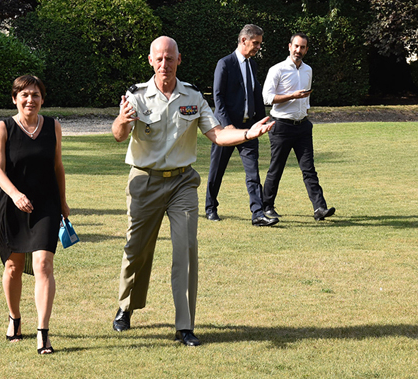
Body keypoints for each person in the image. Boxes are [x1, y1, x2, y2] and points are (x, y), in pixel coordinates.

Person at [111, 36, 274, 346]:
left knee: (186, 249)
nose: (164, 64)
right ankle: (125, 307)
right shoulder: (137, 95)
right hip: (144, 182)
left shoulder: (193, 96)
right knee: (137, 250)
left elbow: (217, 134)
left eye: (169, 58)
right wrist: (122, 119)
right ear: (150, 61)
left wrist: (248, 133)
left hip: (182, 183)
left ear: (179, 60)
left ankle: (184, 325)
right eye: (159, 59)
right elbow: (120, 135)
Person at [0, 75, 70, 355]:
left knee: (43, 266)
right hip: (12, 206)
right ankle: (14, 318)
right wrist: (15, 195)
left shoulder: (53, 126)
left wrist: (62, 202)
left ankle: (43, 333)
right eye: (24, 95)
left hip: (46, 205)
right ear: (15, 98)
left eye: (35, 95)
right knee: (13, 267)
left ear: (42, 99)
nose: (30, 100)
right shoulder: (3, 128)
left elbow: (57, 166)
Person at [205, 24, 278, 226]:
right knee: (217, 170)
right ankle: (210, 208)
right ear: (243, 40)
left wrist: (262, 122)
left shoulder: (252, 65)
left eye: (260, 44)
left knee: (253, 173)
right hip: (226, 130)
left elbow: (256, 94)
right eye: (256, 43)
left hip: (249, 129)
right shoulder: (225, 64)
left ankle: (258, 213)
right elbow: (217, 98)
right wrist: (227, 125)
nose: (258, 48)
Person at [262, 33, 335, 221]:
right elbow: (267, 98)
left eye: (302, 47)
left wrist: (304, 111)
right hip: (281, 126)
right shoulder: (277, 70)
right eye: (296, 46)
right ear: (289, 46)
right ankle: (266, 207)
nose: (298, 50)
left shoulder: (308, 70)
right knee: (276, 168)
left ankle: (320, 208)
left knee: (309, 169)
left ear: (306, 49)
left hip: (303, 126)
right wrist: (292, 96)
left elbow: (306, 98)